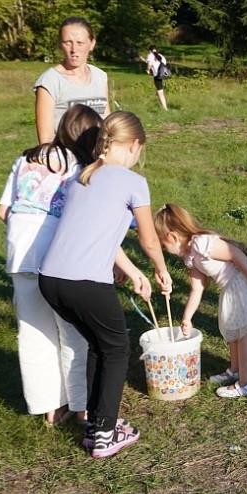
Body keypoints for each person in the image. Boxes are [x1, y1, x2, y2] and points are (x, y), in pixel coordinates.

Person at [38, 111, 172, 458]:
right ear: (135, 145)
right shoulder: (132, 182)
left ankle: (97, 424)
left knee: (99, 345)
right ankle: (106, 435)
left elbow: (101, 238)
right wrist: (159, 269)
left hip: (51, 280)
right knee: (116, 349)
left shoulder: (82, 177)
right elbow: (149, 240)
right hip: (85, 283)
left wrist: (133, 272)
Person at [0, 105, 102, 426]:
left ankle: (48, 407)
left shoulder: (26, 159)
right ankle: (82, 405)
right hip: (58, 259)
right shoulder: (80, 168)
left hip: (20, 255)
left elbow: (3, 211)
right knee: (73, 331)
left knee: (33, 332)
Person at [153, 204, 247, 399]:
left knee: (242, 333)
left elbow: (237, 256)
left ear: (172, 236)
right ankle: (235, 369)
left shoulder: (202, 243)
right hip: (232, 287)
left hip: (245, 279)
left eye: (163, 244)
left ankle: (246, 383)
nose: (164, 249)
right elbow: (197, 288)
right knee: (233, 331)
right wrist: (187, 317)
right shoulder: (190, 257)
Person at [34, 16, 110, 144]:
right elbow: (45, 139)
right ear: (60, 43)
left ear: (91, 44)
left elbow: (107, 122)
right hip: (66, 159)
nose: (74, 49)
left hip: (98, 158)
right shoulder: (49, 82)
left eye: (80, 43)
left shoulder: (100, 76)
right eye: (68, 42)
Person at [144, 47, 169, 111]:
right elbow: (164, 64)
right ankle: (161, 104)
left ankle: (165, 108)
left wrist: (148, 70)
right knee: (159, 91)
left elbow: (149, 64)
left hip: (157, 75)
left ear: (150, 51)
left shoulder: (150, 55)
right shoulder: (161, 56)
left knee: (160, 92)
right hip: (164, 74)